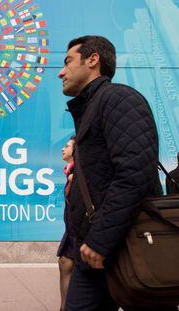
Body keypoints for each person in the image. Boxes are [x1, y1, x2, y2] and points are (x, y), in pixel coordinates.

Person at [58, 36, 176, 311]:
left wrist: (100, 240)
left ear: (93, 60)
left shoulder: (118, 98)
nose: (61, 72)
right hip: (96, 255)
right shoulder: (91, 109)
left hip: (129, 248)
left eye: (67, 62)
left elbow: (135, 173)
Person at [57, 136, 76, 311]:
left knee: (66, 263)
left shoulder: (77, 174)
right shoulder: (70, 173)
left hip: (77, 230)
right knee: (64, 263)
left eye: (67, 146)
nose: (63, 149)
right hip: (72, 229)